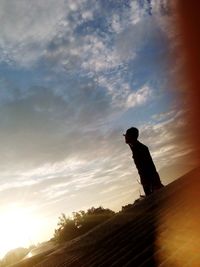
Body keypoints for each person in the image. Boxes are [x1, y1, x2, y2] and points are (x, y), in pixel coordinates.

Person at [124, 127, 164, 196]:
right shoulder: (135, 147)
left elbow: (150, 167)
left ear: (131, 137)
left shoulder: (141, 149)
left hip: (150, 182)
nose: (125, 137)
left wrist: (153, 184)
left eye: (126, 136)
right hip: (148, 182)